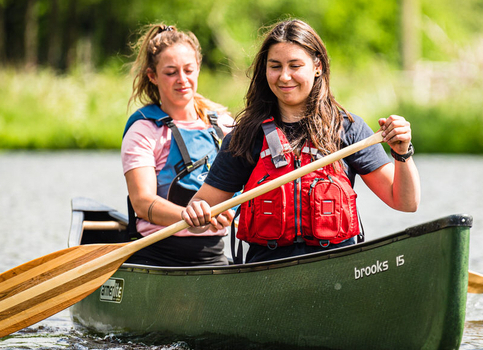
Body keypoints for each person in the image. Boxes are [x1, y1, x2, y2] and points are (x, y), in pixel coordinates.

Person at [180, 19, 420, 263]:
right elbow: (200, 213)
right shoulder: (245, 137)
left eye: (295, 66)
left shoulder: (348, 129)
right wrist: (197, 213)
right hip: (267, 273)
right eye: (275, 66)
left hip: (337, 271)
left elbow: (405, 202)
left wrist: (402, 152)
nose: (284, 77)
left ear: (317, 67)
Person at [120, 23, 235, 266]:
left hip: (213, 256)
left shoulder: (225, 125)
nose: (182, 80)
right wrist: (188, 217)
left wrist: (235, 211)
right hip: (159, 256)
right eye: (171, 72)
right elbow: (142, 202)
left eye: (188, 70)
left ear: (198, 69)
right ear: (152, 75)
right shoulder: (144, 130)